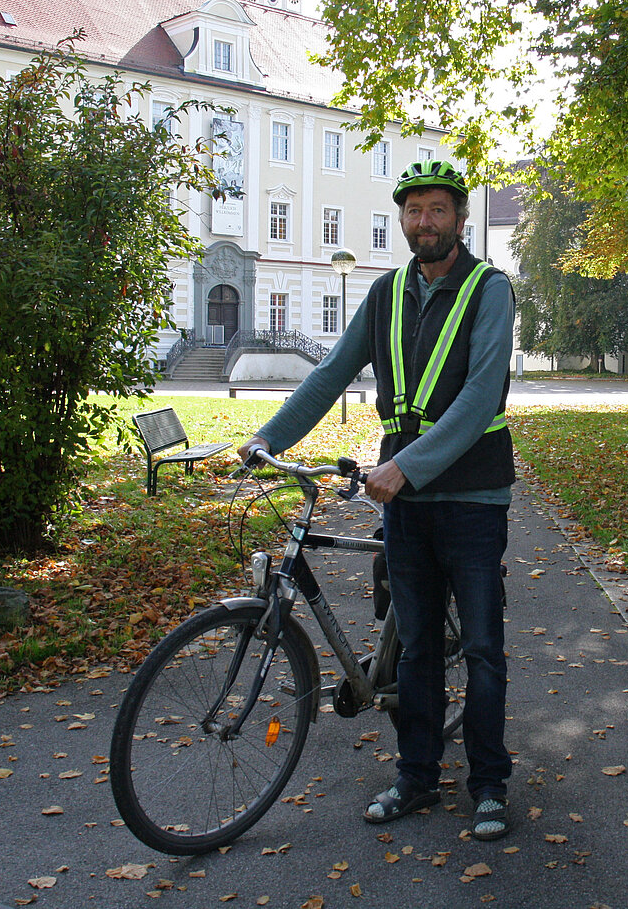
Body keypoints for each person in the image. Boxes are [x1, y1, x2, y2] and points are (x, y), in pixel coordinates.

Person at [237, 159, 516, 841]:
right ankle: (416, 777)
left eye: (438, 210)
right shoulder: (387, 293)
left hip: (473, 497)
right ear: (404, 220)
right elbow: (331, 373)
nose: (426, 222)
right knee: (416, 646)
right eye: (414, 210)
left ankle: (488, 785)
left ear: (459, 219)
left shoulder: (490, 290)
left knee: (480, 648)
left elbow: (482, 397)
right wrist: (268, 436)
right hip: (407, 503)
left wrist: (406, 467)